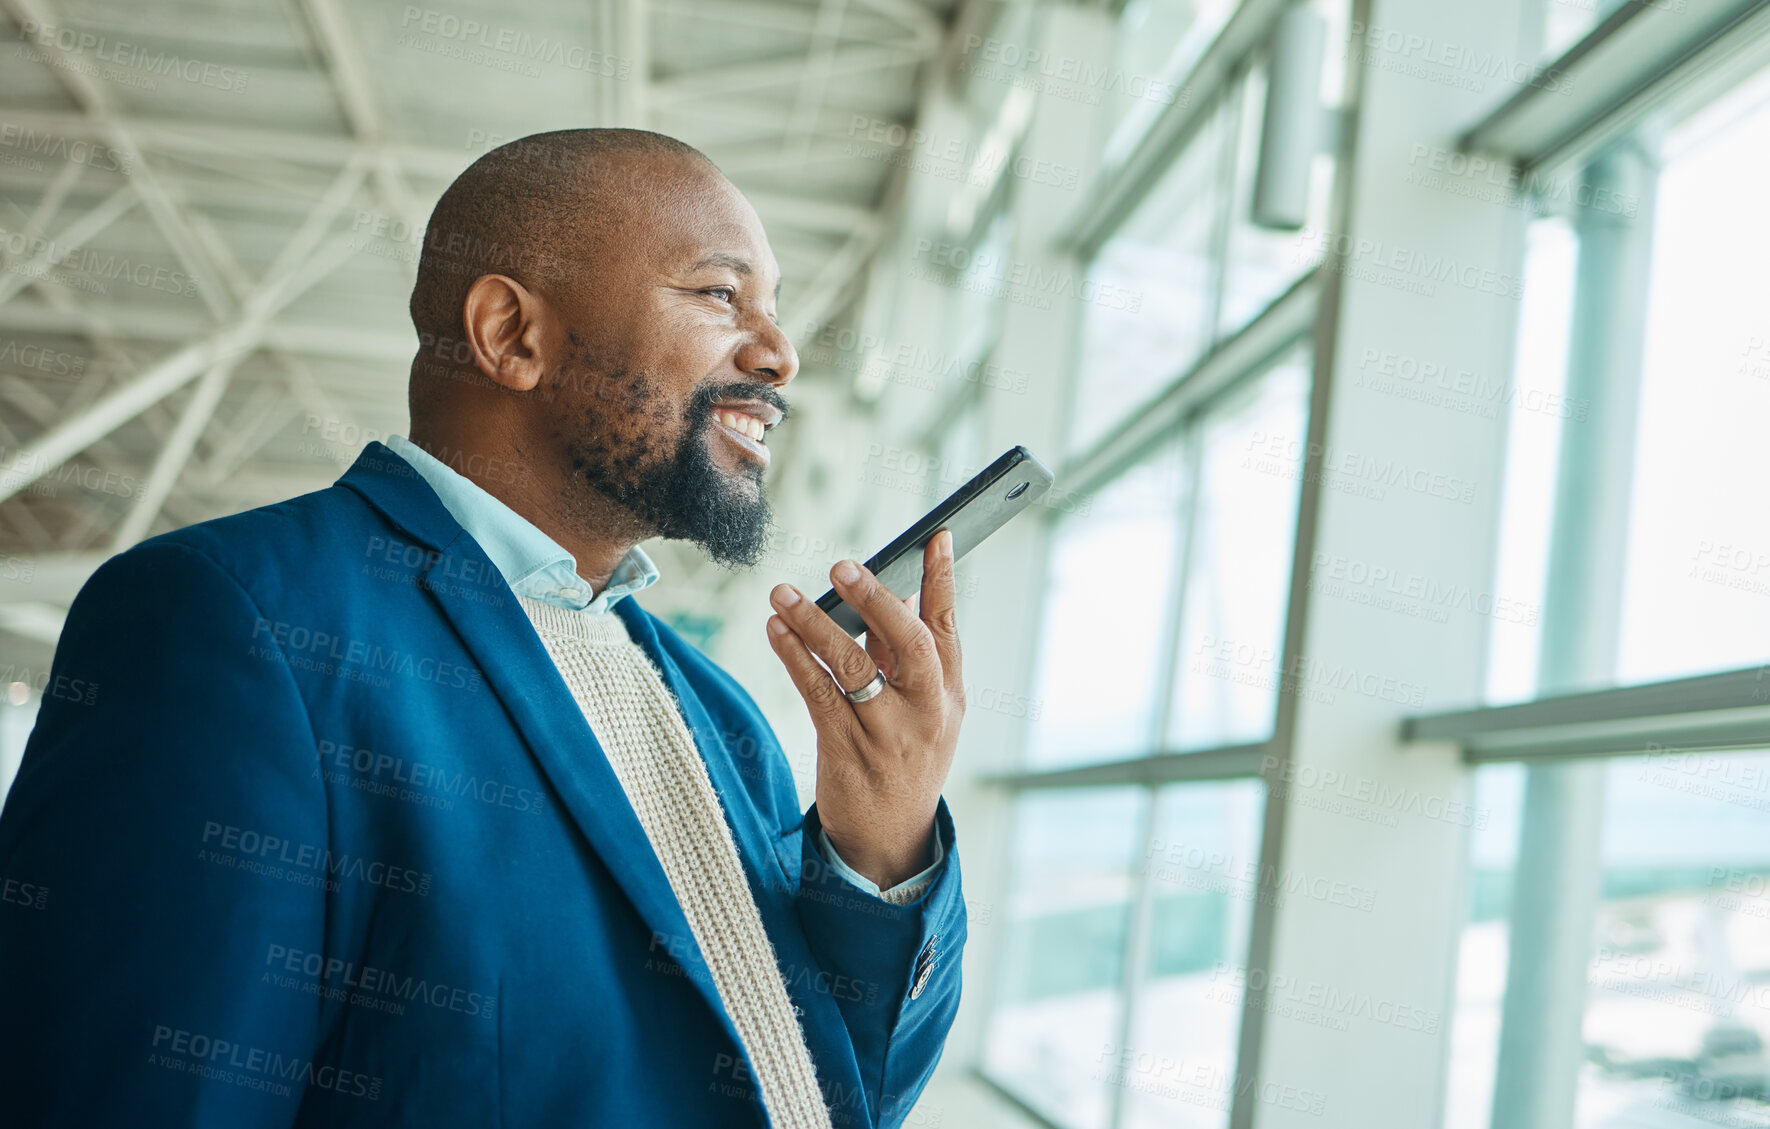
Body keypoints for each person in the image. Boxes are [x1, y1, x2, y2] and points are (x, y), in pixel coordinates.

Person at [0, 128, 967, 1129]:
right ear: (511, 333)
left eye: (773, 308)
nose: (780, 354)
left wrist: (883, 852)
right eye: (722, 296)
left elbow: (828, 1091)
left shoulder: (720, 716)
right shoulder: (233, 624)